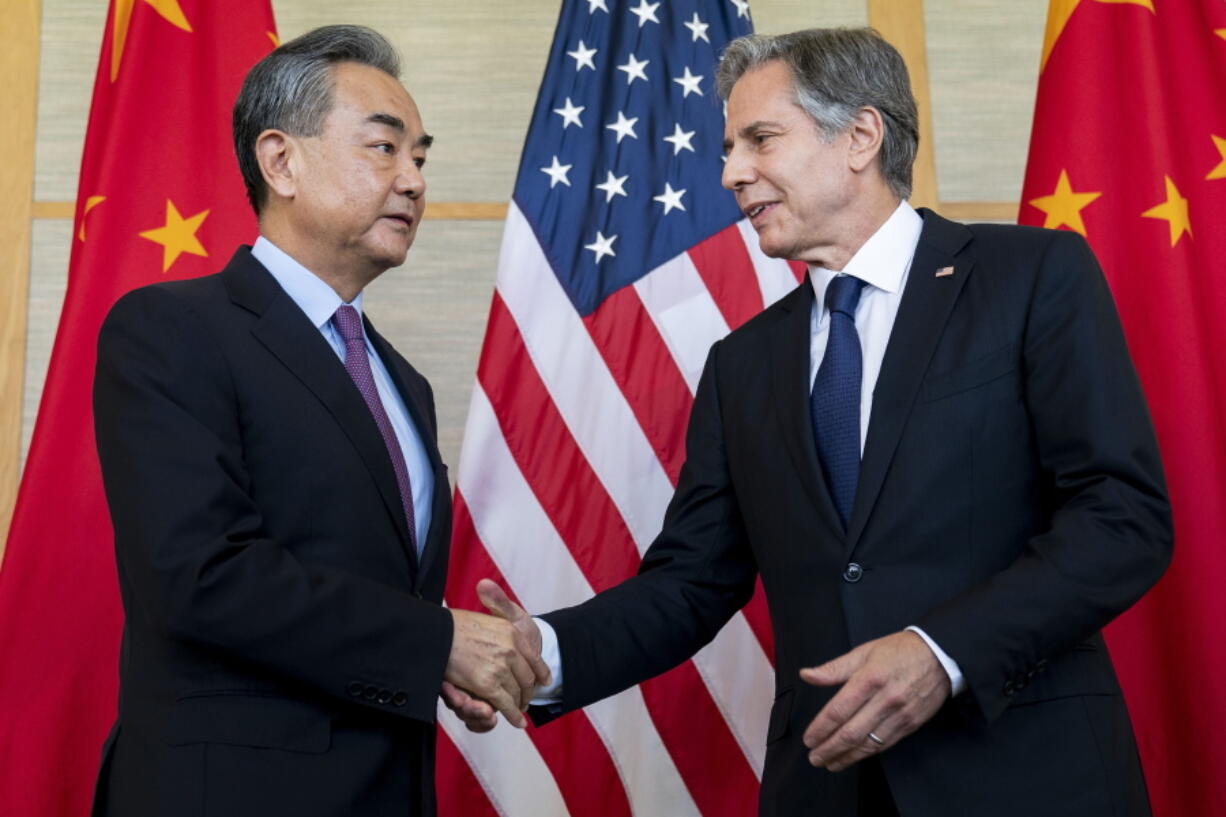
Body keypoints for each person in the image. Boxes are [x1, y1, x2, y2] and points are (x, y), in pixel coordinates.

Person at [451, 28, 1172, 817]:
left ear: (860, 136)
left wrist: (942, 652)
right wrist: (545, 651)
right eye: (729, 147)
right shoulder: (743, 364)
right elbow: (692, 582)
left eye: (760, 139)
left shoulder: (1031, 278)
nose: (730, 172)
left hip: (1028, 775)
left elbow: (1122, 516)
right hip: (829, 788)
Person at [90, 25, 547, 817]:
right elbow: (200, 575)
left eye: (422, 158)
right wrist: (434, 640)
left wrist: (437, 665)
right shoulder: (171, 329)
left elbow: (366, 588)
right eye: (383, 148)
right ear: (280, 161)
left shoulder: (400, 379)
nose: (412, 180)